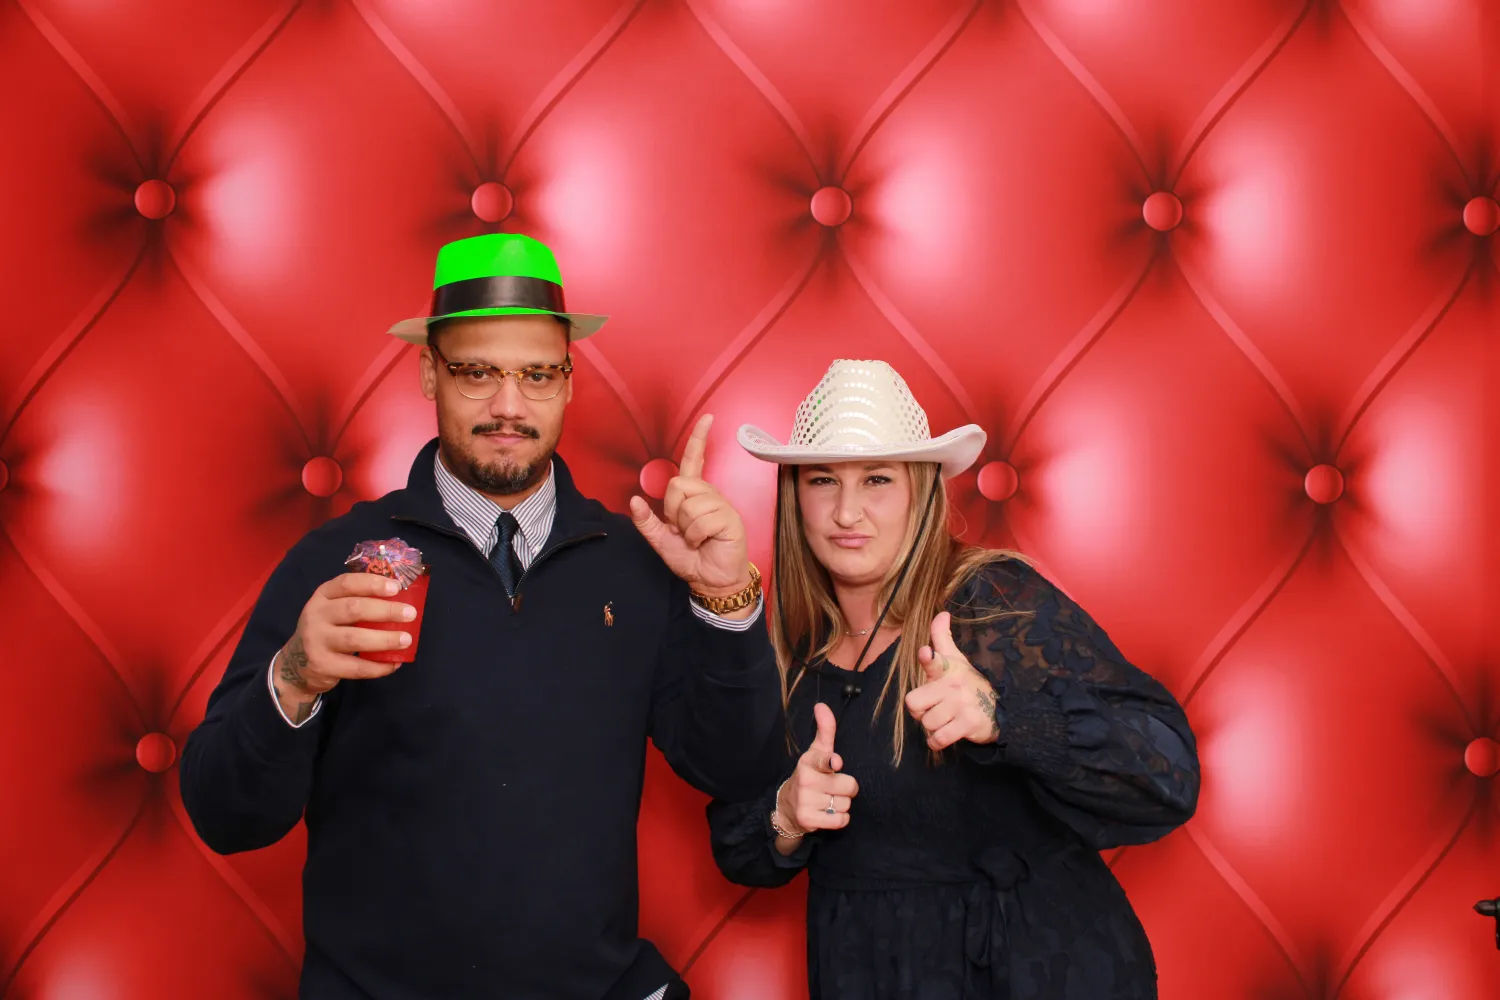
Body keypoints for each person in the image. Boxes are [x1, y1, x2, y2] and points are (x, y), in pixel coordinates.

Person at [180, 233, 783, 1000]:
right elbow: (226, 818)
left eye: (537, 374)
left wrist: (726, 599)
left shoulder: (635, 566)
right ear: (429, 374)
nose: (509, 406)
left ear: (569, 382)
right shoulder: (336, 562)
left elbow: (739, 769)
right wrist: (293, 677)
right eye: (477, 373)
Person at [707, 359, 1201, 999]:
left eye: (877, 479)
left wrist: (1006, 720)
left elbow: (1168, 777)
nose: (847, 511)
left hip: (1033, 974)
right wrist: (786, 815)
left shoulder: (990, 602)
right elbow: (738, 846)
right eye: (823, 479)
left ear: (921, 492)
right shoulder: (785, 651)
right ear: (793, 495)